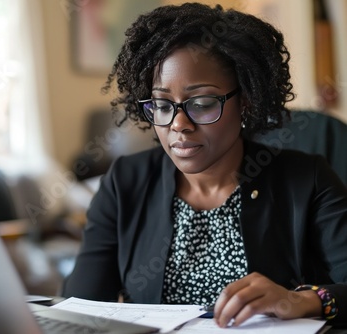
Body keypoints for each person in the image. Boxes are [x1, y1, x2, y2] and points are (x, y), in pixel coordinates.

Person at [61, 2, 347, 329]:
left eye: (201, 103)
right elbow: (79, 305)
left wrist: (302, 299)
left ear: (246, 102)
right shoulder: (125, 181)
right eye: (162, 104)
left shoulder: (307, 180)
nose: (178, 124)